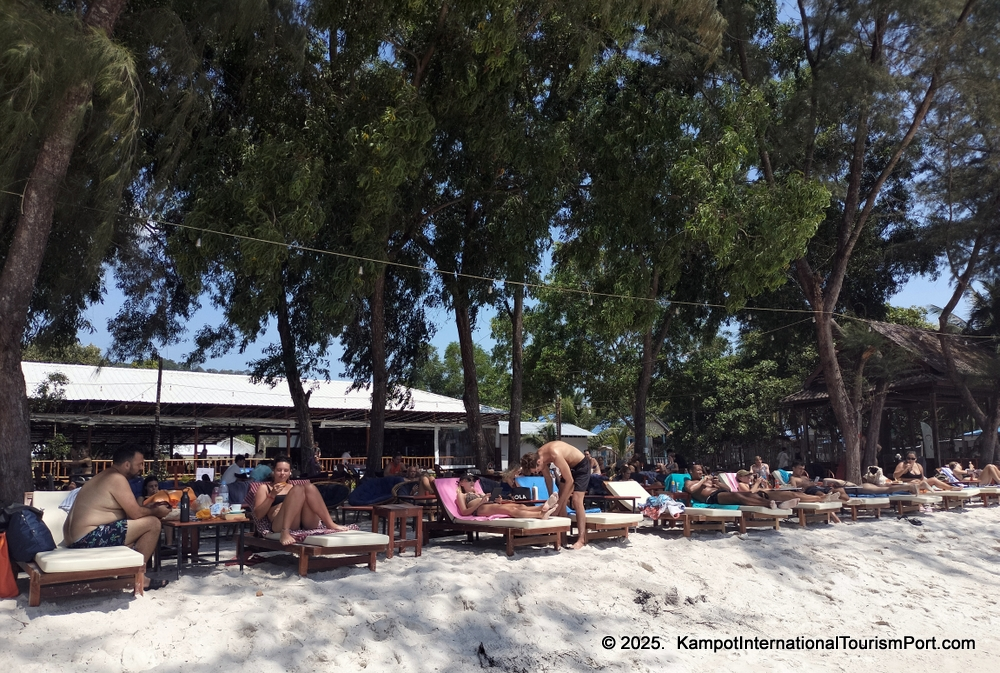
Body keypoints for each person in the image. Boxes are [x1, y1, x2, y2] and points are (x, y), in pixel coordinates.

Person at [63, 446, 171, 590]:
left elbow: (129, 514)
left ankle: (127, 574)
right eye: (140, 464)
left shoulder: (103, 476)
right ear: (127, 464)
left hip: (75, 538)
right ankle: (137, 578)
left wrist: (151, 508)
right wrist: (157, 512)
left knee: (131, 531)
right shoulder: (117, 478)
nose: (142, 468)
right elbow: (136, 514)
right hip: (87, 538)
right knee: (153, 524)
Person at [252, 456, 348, 546]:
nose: (282, 473)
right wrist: (272, 495)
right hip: (279, 524)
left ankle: (330, 523)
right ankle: (285, 532)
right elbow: (258, 515)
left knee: (308, 487)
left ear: (290, 472)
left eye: (286, 470)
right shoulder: (265, 488)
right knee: (298, 489)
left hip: (303, 521)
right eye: (279, 470)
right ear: (273, 471)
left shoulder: (294, 487)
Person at [522, 441, 590, 549]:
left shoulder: (555, 454)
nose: (537, 473)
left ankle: (581, 539)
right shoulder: (539, 456)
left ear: (539, 462)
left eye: (537, 471)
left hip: (581, 466)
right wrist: (552, 501)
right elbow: (548, 479)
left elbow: (570, 481)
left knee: (577, 500)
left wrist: (559, 504)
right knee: (559, 505)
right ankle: (562, 538)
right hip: (568, 467)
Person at [685, 463, 838, 509]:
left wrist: (717, 483)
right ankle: (776, 505)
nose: (701, 471)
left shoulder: (710, 481)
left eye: (701, 469)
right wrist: (702, 481)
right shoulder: (690, 482)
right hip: (712, 498)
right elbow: (691, 490)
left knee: (789, 494)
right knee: (739, 496)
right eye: (697, 470)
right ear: (690, 472)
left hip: (724, 493)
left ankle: (822, 498)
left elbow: (727, 489)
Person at [455, 475, 554, 519]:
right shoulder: (461, 495)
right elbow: (464, 512)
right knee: (510, 510)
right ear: (462, 483)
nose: (472, 482)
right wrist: (481, 502)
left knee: (518, 506)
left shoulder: (478, 492)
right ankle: (539, 514)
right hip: (480, 509)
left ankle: (542, 507)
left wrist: (496, 499)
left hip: (488, 504)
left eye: (473, 480)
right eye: (469, 480)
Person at [893, 452, 960, 491]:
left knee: (933, 479)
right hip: (907, 484)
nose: (910, 460)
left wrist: (919, 480)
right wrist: (905, 469)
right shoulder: (902, 464)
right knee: (916, 483)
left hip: (919, 483)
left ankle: (951, 488)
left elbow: (921, 478)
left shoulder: (919, 466)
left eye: (912, 459)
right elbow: (895, 476)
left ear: (916, 459)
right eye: (908, 458)